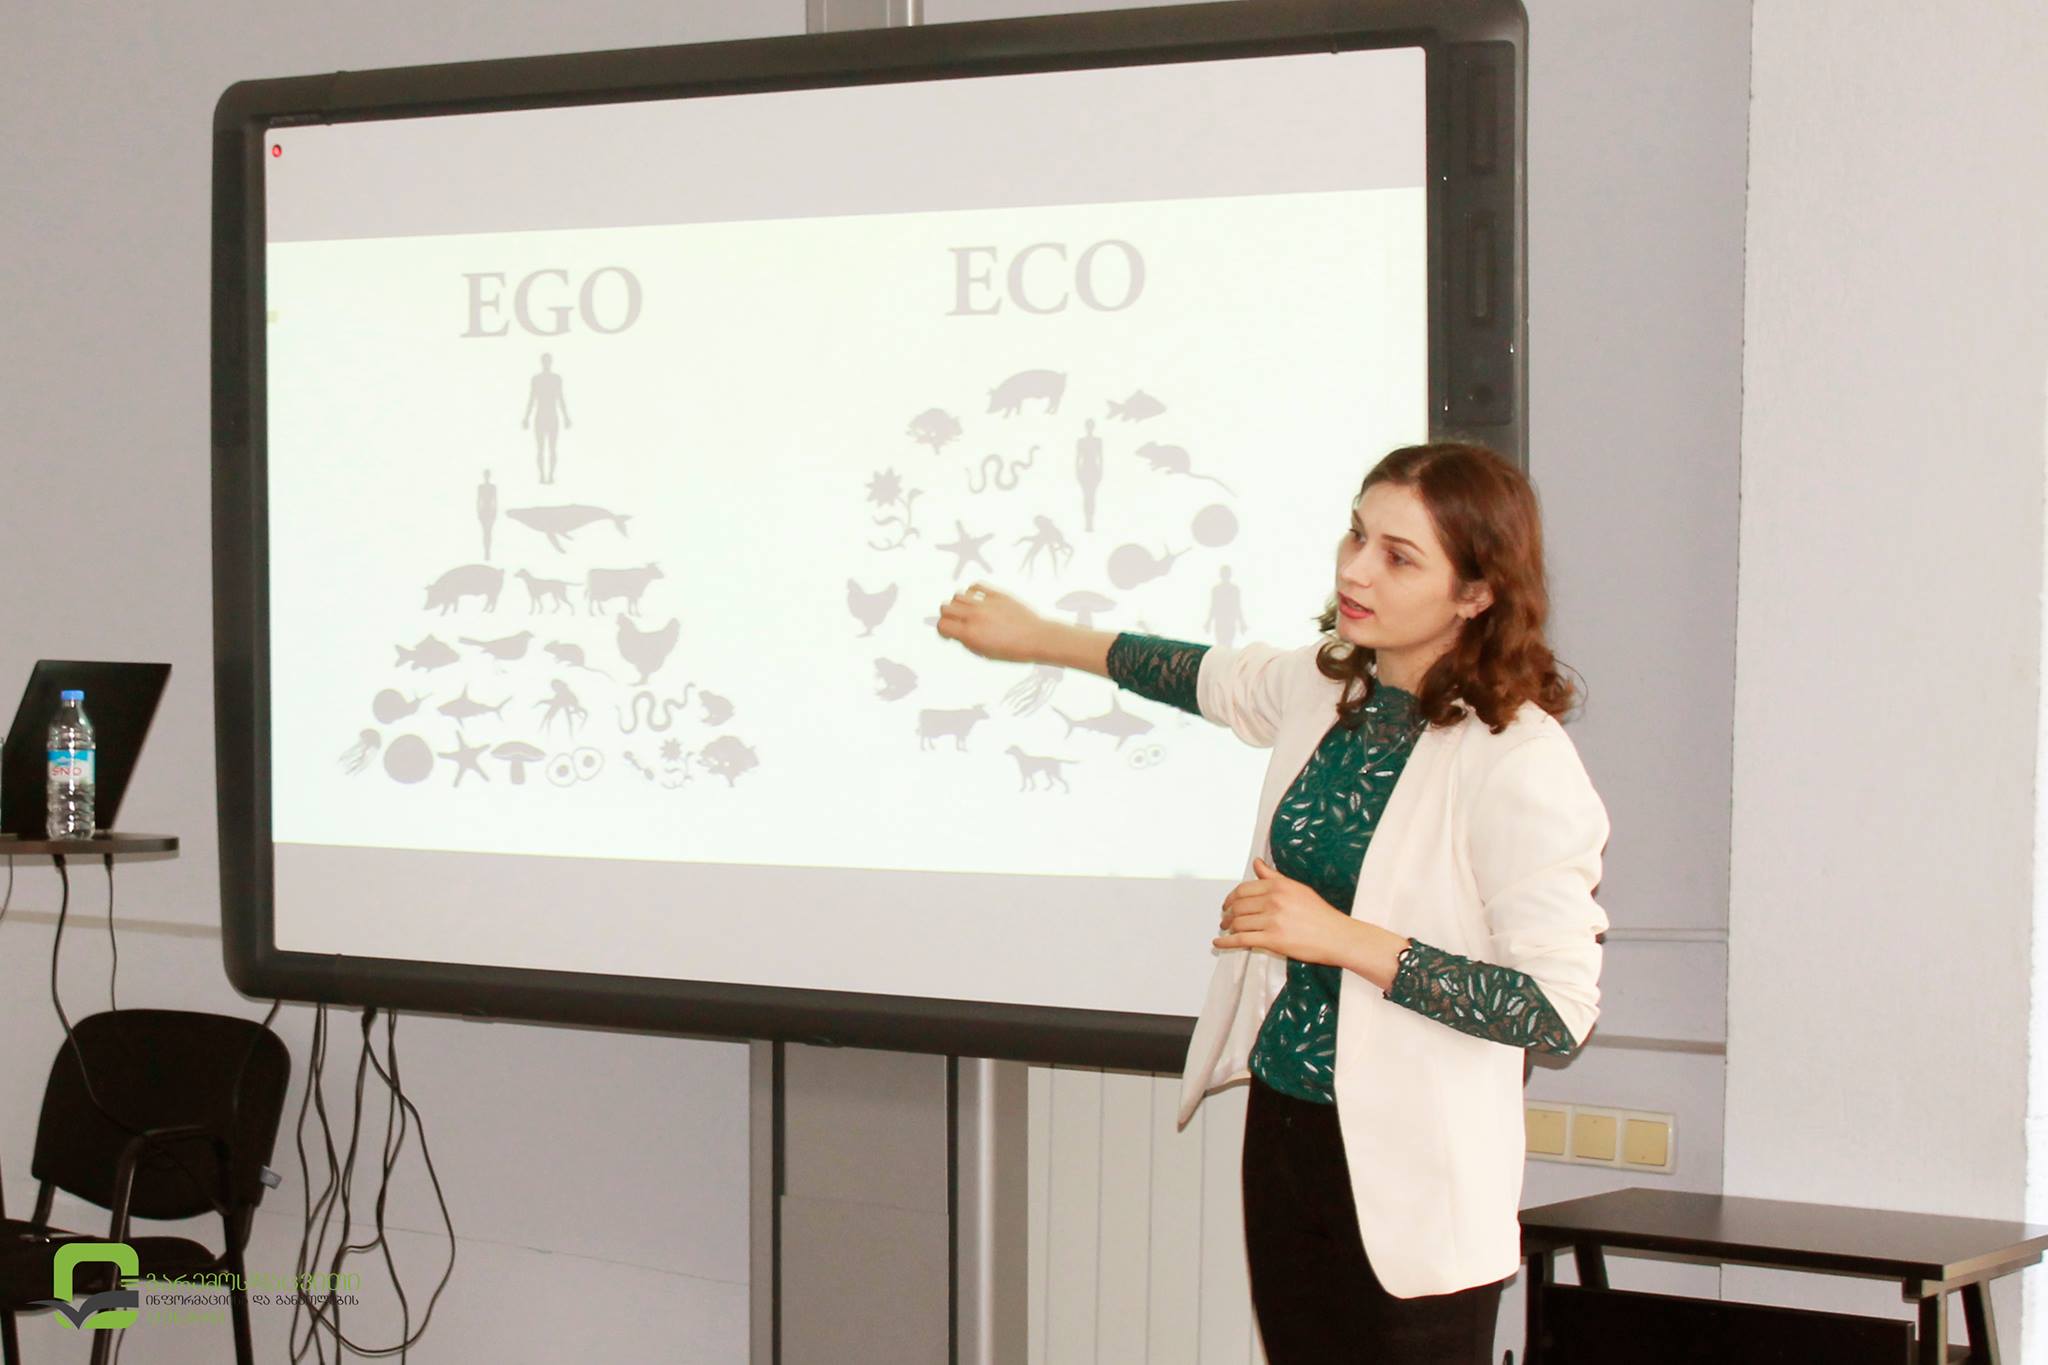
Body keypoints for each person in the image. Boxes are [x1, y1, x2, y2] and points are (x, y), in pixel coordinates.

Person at [935, 441, 1609, 1364]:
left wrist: (1343, 939)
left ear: (1476, 593)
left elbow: (1555, 1010)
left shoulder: (1517, 758)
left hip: (1416, 1169)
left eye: (1398, 556)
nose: (1355, 569)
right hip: (1289, 1125)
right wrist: (1039, 636)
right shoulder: (1327, 683)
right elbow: (1200, 674)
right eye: (1357, 535)